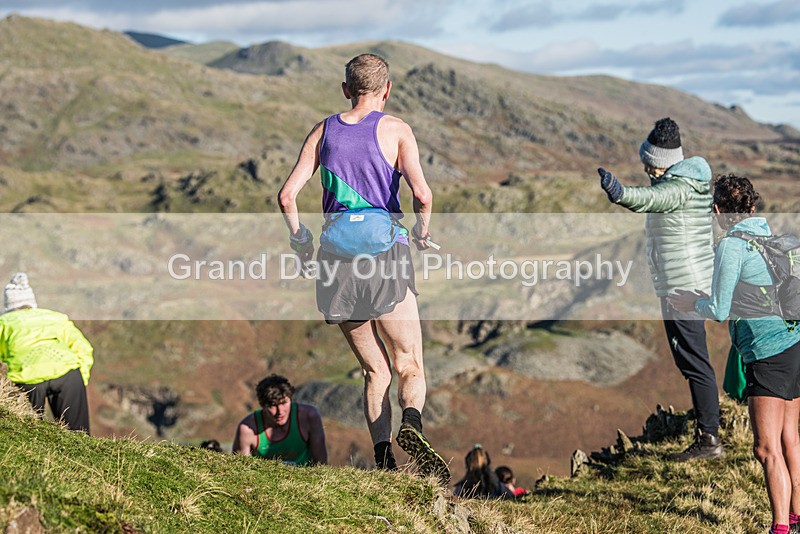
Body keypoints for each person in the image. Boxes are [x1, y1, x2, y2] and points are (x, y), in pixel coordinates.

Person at [277, 53, 448, 481]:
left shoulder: (323, 131)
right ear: (387, 90)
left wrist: (301, 243)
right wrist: (422, 231)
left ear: (346, 90)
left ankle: (384, 461)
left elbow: (286, 196)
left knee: (375, 370)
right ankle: (412, 423)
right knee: (409, 362)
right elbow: (423, 195)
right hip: (385, 257)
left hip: (336, 263)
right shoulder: (396, 130)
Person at [669, 175, 800, 534]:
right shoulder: (768, 238)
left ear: (717, 211)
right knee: (790, 438)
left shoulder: (732, 246)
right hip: (794, 344)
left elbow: (719, 309)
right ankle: (796, 519)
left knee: (765, 449)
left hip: (767, 353)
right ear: (753, 206)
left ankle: (780, 528)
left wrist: (691, 302)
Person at [597, 117, 722, 461]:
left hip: (684, 288)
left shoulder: (678, 187)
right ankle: (706, 430)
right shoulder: (683, 182)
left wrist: (620, 193)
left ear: (662, 162)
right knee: (689, 359)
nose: (646, 169)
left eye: (648, 163)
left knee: (695, 361)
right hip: (681, 284)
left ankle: (709, 439)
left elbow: (651, 199)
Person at [0, 272, 93, 433]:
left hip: (27, 378)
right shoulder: (56, 318)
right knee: (79, 434)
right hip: (67, 374)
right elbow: (83, 348)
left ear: (8, 305)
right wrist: (81, 377)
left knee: (27, 432)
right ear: (31, 302)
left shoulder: (3, 323)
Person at [232, 374, 327, 466]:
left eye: (284, 403)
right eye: (273, 405)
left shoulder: (309, 416)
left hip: (306, 475)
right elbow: (239, 469)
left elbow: (321, 464)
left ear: (290, 399)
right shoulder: (248, 430)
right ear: (263, 405)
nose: (280, 411)